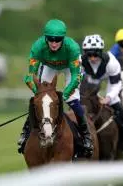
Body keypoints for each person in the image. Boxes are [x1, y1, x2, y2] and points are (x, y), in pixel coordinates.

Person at [19, 19, 93, 157]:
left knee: (72, 99)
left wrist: (64, 95)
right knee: (39, 100)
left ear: (63, 38)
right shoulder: (37, 47)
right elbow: (30, 76)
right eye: (50, 39)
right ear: (45, 38)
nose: (54, 43)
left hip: (70, 69)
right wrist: (39, 93)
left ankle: (86, 135)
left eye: (58, 40)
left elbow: (76, 77)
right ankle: (25, 132)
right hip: (49, 67)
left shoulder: (73, 48)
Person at [80, 34, 123, 148]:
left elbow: (116, 84)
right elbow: (78, 82)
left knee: (116, 104)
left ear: (101, 52)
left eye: (96, 54)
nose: (93, 58)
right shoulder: (80, 62)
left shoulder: (112, 62)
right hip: (90, 81)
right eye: (89, 55)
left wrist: (108, 98)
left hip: (110, 80)